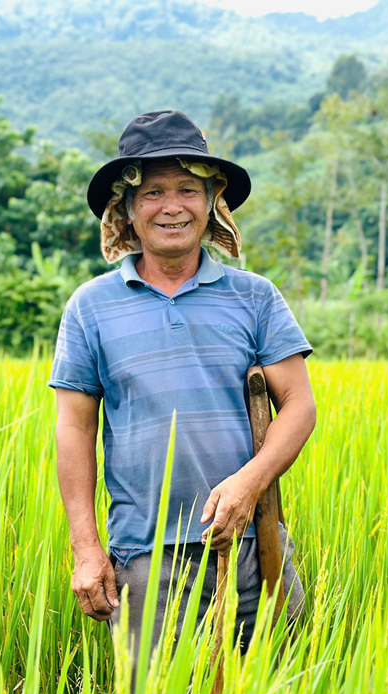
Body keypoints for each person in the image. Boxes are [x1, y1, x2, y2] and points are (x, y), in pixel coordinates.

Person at [49, 111, 315, 659]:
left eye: (188, 189)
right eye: (152, 192)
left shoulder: (255, 297)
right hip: (145, 558)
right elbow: (74, 428)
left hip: (253, 541)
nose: (172, 206)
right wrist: (85, 550)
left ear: (213, 201)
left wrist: (248, 485)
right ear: (126, 208)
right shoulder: (90, 307)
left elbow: (299, 405)